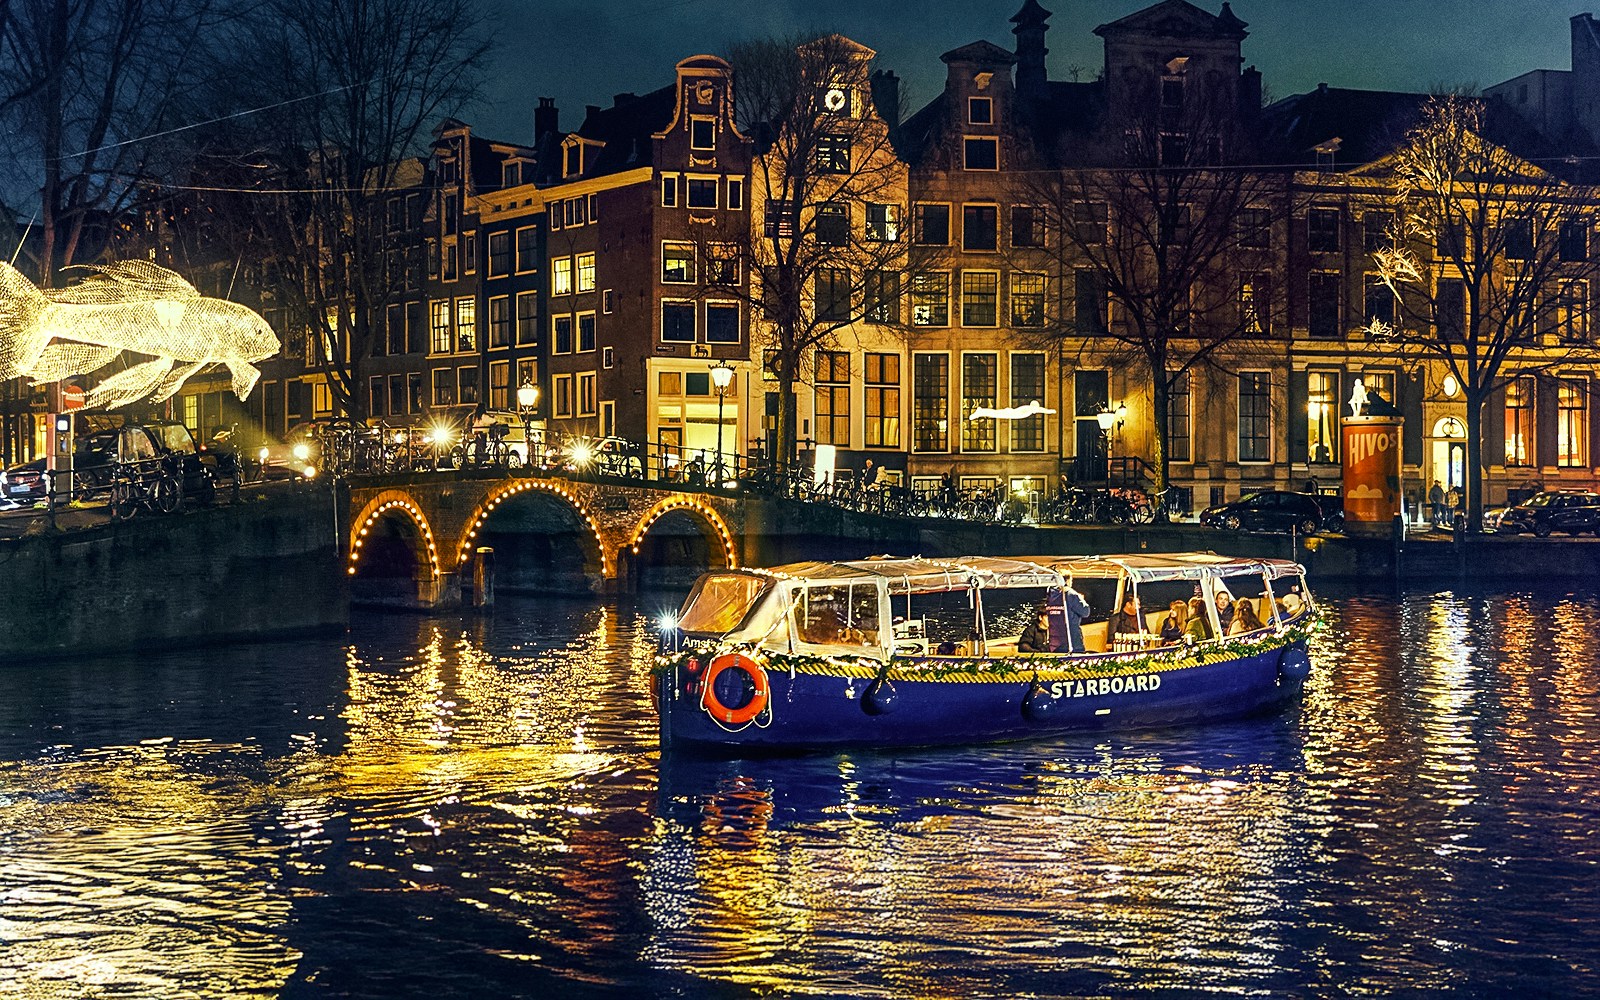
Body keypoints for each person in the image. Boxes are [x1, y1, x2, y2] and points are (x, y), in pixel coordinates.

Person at [1060, 575, 1091, 653]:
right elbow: (1085, 612)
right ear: (1068, 581)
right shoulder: (1071, 594)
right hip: (1072, 639)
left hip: (1056, 641)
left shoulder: (1053, 594)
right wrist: (1081, 600)